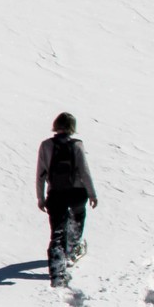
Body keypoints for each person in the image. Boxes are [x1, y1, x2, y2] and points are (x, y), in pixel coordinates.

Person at [36, 112, 98, 287]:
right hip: (77, 193)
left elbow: (40, 174)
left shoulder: (46, 145)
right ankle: (72, 247)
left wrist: (40, 197)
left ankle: (57, 273)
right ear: (72, 127)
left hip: (56, 194)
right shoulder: (77, 145)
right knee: (78, 216)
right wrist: (92, 194)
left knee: (57, 233)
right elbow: (84, 171)